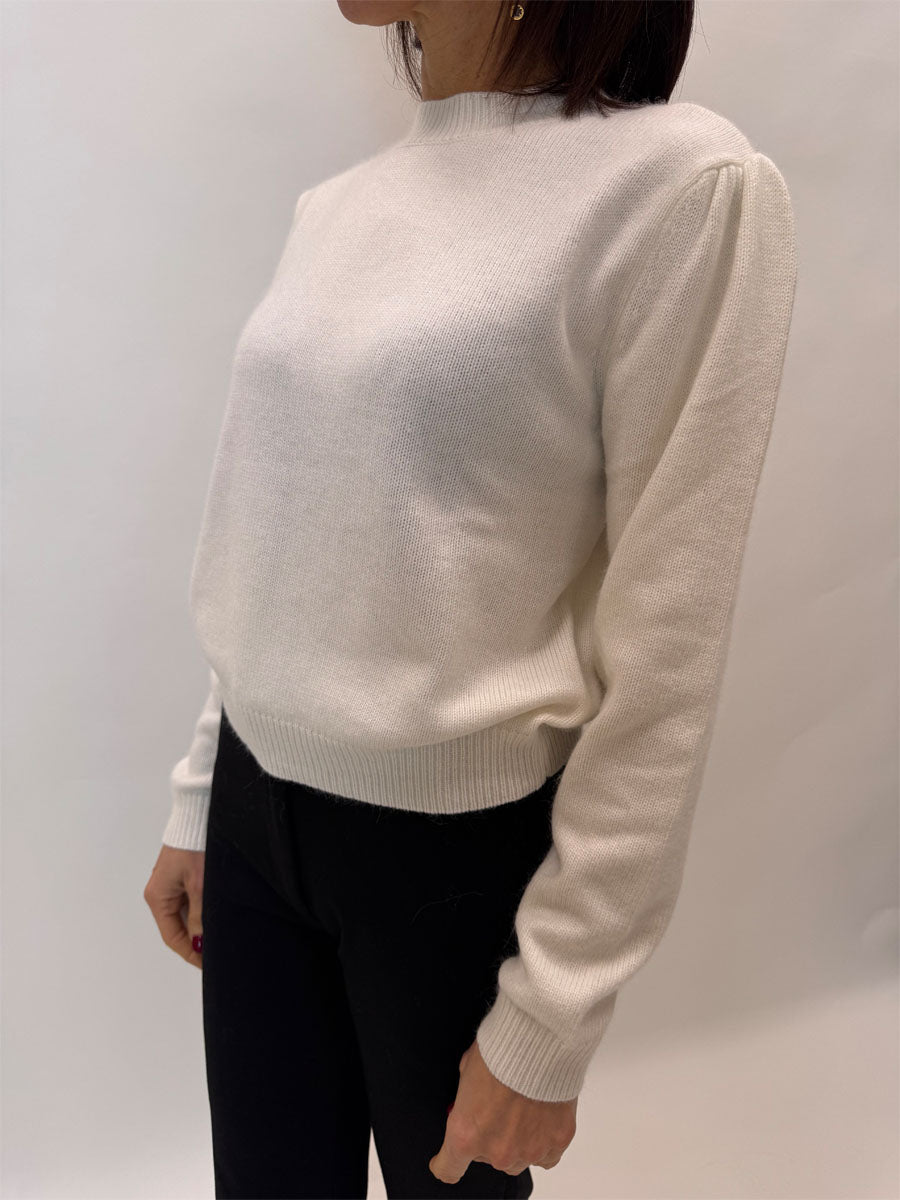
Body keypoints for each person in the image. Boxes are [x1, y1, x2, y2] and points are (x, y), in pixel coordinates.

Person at [142, 1, 798, 1196]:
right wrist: (199, 798)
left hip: (441, 864)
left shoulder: (681, 187)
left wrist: (553, 1014)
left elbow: (667, 648)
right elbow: (277, 542)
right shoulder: (337, 207)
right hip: (252, 818)